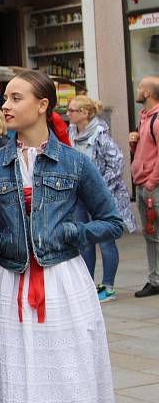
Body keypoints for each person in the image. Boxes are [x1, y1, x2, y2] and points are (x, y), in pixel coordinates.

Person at [0, 70, 123, 403]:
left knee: (65, 369)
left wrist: (70, 231)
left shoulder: (75, 162)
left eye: (15, 98)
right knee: (17, 374)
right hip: (8, 282)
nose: (5, 105)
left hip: (63, 283)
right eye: (5, 98)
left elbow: (112, 221)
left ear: (42, 105)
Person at [67, 96, 137, 302]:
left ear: (85, 113)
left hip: (100, 197)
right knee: (84, 240)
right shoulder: (72, 133)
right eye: (69, 110)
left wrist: (99, 190)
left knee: (106, 242)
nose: (68, 114)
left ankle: (108, 286)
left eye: (73, 110)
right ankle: (87, 285)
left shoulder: (101, 135)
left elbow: (117, 165)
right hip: (80, 196)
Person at [130, 75, 159, 298]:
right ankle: (155, 278)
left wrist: (150, 183)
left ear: (148, 93)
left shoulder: (156, 120)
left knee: (154, 233)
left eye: (140, 87)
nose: (138, 90)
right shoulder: (145, 118)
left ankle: (156, 280)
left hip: (151, 185)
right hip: (143, 182)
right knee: (151, 234)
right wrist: (134, 145)